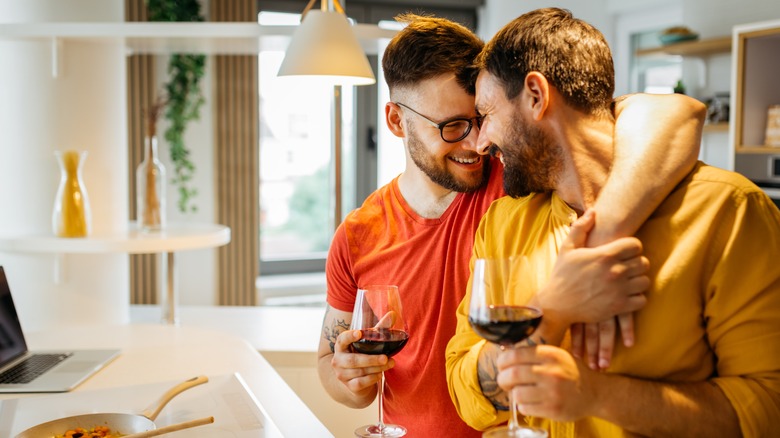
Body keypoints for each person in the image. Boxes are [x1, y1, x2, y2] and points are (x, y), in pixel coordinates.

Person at [320, 13, 706, 438]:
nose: (476, 143)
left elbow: (676, 113)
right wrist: (352, 381)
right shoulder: (358, 234)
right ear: (396, 121)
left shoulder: (519, 180)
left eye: (481, 118)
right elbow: (328, 364)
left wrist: (607, 230)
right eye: (453, 126)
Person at [445, 7, 780, 437]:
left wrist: (598, 395)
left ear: (535, 94)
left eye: (486, 113)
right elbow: (463, 390)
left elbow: (768, 411)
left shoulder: (730, 212)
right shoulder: (503, 223)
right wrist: (550, 312)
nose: (481, 142)